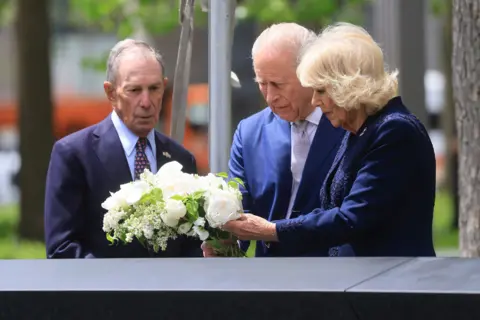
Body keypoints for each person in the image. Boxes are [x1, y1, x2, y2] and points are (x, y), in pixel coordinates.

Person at [222, 22, 437, 257]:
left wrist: (271, 230)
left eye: (321, 90)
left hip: (391, 285)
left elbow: (352, 218)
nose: (315, 101)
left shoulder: (394, 130)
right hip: (355, 283)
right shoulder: (359, 130)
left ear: (348, 84)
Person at [44, 39, 202, 258]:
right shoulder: (74, 155)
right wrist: (118, 283)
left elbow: (191, 246)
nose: (146, 102)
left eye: (154, 89)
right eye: (134, 90)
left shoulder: (181, 159)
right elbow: (62, 249)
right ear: (111, 93)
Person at [203, 23, 345, 257]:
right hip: (270, 280)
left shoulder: (348, 124)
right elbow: (238, 209)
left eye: (278, 84)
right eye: (262, 83)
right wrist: (225, 242)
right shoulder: (249, 133)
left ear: (310, 73)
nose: (270, 97)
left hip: (338, 277)